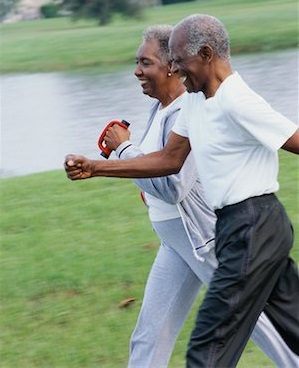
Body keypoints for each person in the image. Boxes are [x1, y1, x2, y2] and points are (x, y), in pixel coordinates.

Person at [64, 15, 299, 368]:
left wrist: (121, 152)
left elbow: (293, 140)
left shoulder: (237, 100)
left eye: (176, 60)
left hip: (249, 226)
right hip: (218, 230)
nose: (173, 68)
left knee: (215, 344)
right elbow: (170, 159)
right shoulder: (193, 102)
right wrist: (97, 167)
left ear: (205, 54)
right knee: (287, 325)